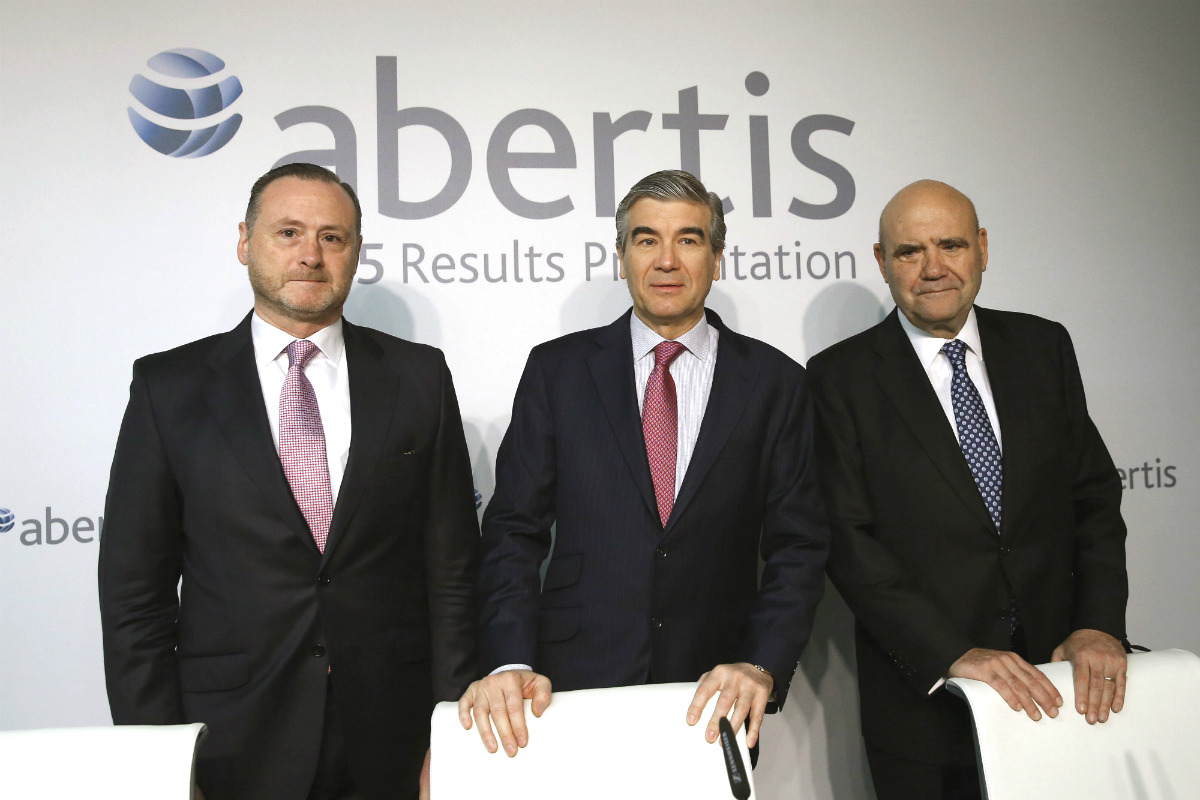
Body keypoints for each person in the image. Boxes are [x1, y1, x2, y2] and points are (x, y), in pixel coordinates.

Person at [98, 163, 480, 800]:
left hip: (393, 733)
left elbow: (453, 572)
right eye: (289, 233)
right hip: (230, 740)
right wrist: (157, 760)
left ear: (357, 251)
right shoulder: (170, 388)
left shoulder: (418, 378)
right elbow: (136, 595)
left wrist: (452, 736)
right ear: (245, 241)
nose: (311, 255)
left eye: (333, 237)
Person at [458, 169, 829, 758]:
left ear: (717, 256)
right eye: (646, 239)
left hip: (715, 694)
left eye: (688, 239)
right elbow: (512, 531)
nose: (666, 260)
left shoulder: (775, 381)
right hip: (568, 688)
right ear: (621, 255)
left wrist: (761, 662)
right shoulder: (558, 371)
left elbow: (800, 545)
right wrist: (509, 658)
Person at [807, 179, 1129, 799]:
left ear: (981, 248)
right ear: (881, 260)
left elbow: (1093, 500)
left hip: (1063, 685)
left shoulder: (1044, 347)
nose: (933, 269)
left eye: (951, 245)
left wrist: (1097, 623)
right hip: (927, 712)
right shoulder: (836, 379)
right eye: (908, 252)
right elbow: (848, 542)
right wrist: (952, 652)